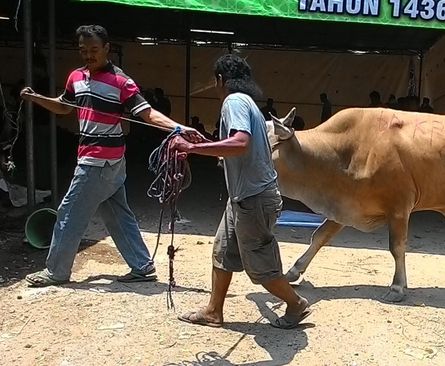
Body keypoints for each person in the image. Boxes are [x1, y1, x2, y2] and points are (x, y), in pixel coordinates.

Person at [19, 24, 203, 287]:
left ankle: (56, 271)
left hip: (98, 162)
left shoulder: (121, 81)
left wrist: (179, 128)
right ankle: (142, 265)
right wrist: (36, 98)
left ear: (107, 48)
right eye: (83, 50)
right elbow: (63, 106)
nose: (89, 55)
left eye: (94, 50)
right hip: (108, 162)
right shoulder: (76, 78)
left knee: (68, 213)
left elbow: (147, 114)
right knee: (117, 213)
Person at [171, 54, 311, 329]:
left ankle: (296, 304)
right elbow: (235, 146)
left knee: (261, 268)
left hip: (253, 199)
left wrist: (192, 149)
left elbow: (239, 143)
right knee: (223, 252)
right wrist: (211, 144)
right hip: (242, 198)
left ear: (220, 80)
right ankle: (213, 311)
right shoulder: (246, 102)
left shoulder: (233, 102)